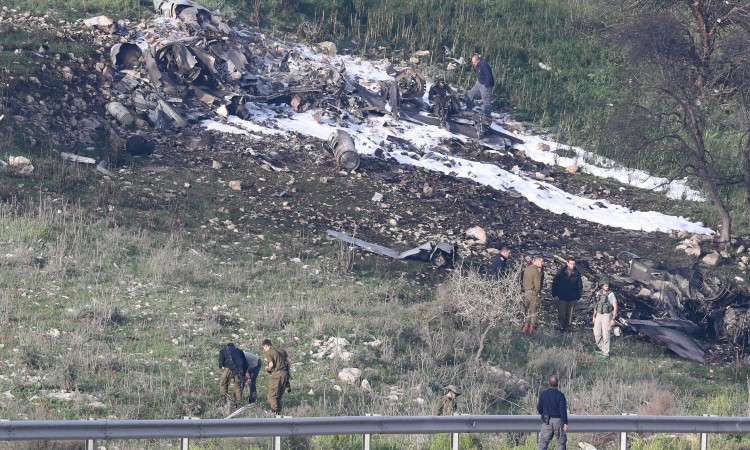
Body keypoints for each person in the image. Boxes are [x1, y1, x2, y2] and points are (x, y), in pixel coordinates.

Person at [551, 257, 584, 332]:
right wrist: (555, 295)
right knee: (562, 314)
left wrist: (578, 297)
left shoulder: (576, 274)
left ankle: (567, 329)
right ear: (567, 263)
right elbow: (555, 284)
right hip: (561, 297)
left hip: (572, 298)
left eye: (573, 264)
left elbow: (579, 286)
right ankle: (561, 328)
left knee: (570, 315)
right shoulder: (561, 272)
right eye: (571, 264)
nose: (572, 265)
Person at [537, 375, 568, 450]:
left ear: (549, 383)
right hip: (558, 421)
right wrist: (565, 422)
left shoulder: (543, 394)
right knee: (561, 442)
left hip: (546, 421)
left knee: (543, 443)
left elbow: (539, 408)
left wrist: (543, 414)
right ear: (558, 384)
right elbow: (563, 410)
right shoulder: (560, 395)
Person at [261, 338, 290, 415]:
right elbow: (289, 362)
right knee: (278, 396)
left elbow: (271, 364)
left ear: (266, 346)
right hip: (285, 375)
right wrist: (288, 373)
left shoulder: (269, 352)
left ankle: (275, 413)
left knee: (272, 396)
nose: (264, 350)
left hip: (277, 375)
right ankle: (279, 415)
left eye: (263, 348)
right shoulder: (281, 351)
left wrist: (268, 370)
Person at [592, 277, 618, 358]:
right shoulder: (598, 293)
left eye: (608, 286)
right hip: (599, 315)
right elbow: (596, 305)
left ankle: (606, 353)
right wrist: (594, 316)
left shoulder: (611, 294)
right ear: (602, 286)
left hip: (607, 315)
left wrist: (613, 319)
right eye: (605, 286)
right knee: (596, 333)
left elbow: (615, 307)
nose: (607, 287)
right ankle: (602, 348)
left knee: (606, 333)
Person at [219, 343, 249, 408]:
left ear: (227, 346)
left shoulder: (223, 350)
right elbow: (246, 364)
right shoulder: (240, 351)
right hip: (239, 370)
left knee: (223, 382)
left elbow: (221, 363)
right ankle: (238, 404)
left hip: (228, 368)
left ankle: (224, 400)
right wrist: (244, 372)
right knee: (238, 386)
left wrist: (222, 367)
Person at [464, 54, 495, 119]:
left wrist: (486, 85)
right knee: (471, 93)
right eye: (472, 62)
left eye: (474, 62)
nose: (473, 64)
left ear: (478, 60)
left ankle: (487, 116)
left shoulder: (484, 64)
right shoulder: (477, 64)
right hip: (479, 83)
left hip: (485, 85)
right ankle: (469, 108)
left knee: (486, 100)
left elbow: (489, 76)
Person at [522, 256, 544, 335]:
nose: (542, 263)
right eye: (541, 262)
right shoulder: (536, 271)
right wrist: (538, 292)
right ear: (537, 262)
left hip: (526, 292)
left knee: (527, 310)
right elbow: (537, 285)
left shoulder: (527, 269)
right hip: (533, 293)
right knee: (533, 311)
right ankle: (531, 329)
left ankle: (525, 328)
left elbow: (523, 280)